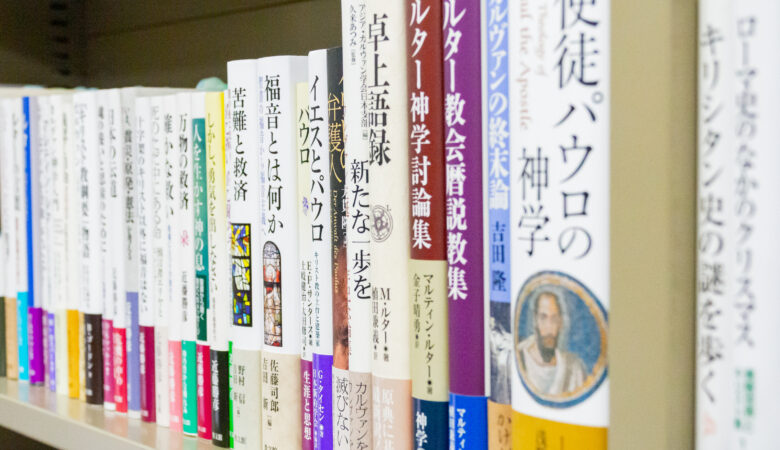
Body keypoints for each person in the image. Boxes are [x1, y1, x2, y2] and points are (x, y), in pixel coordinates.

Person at [517, 290, 587, 396]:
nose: (549, 327)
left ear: (560, 323)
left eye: (554, 319)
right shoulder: (519, 358)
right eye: (543, 318)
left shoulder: (575, 369)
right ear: (535, 320)